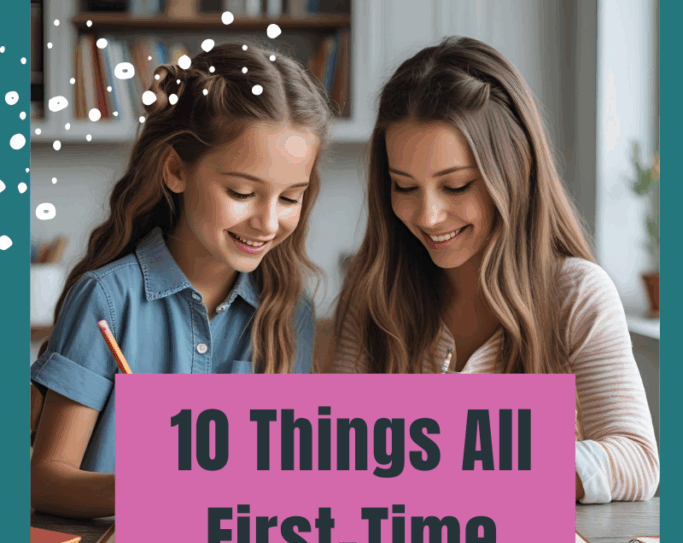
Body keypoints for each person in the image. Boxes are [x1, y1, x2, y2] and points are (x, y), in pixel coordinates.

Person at [331, 37, 659, 503]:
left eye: (456, 185)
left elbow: (637, 459)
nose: (426, 215)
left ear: (517, 167)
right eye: (404, 186)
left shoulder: (576, 293)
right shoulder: (375, 293)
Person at [31, 42, 333, 518]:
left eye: (291, 198)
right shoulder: (109, 300)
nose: (268, 222)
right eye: (242, 192)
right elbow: (46, 479)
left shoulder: (288, 311)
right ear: (176, 170)